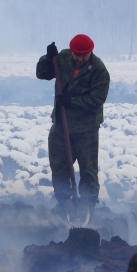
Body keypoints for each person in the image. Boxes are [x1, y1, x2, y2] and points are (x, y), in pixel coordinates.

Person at [36, 34, 110, 224]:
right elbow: (42, 74)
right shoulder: (62, 58)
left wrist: (71, 101)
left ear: (90, 53)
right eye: (77, 54)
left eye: (83, 56)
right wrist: (47, 57)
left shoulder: (99, 70)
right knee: (59, 168)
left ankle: (88, 206)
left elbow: (97, 99)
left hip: (86, 129)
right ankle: (64, 204)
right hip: (61, 126)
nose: (79, 58)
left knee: (88, 170)